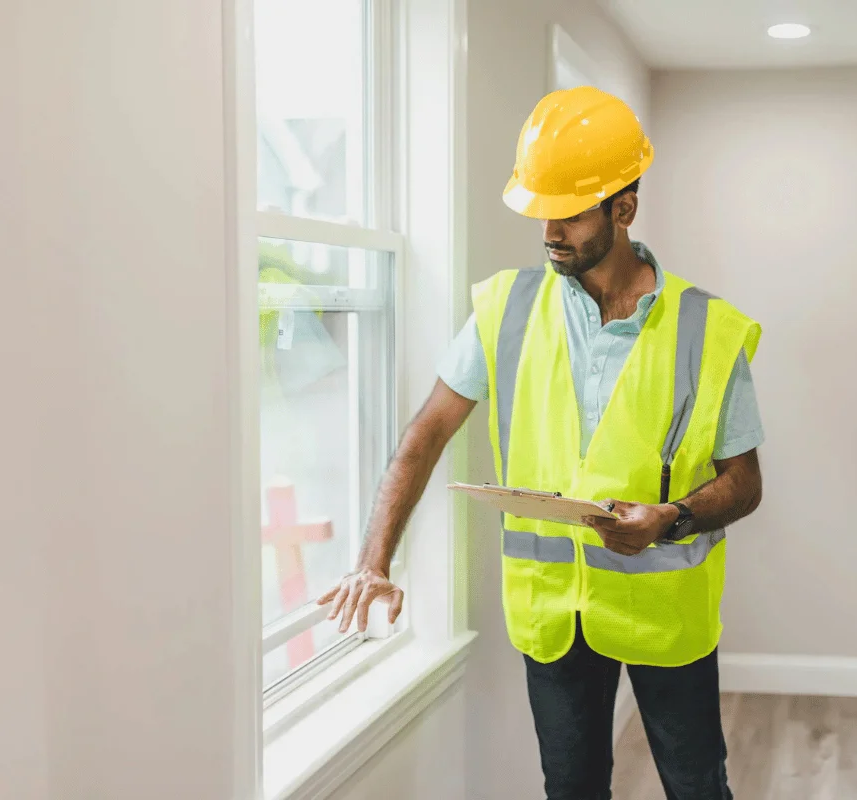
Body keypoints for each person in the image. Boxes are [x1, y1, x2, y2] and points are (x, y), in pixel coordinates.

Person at [318, 85, 764, 800]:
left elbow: (745, 481)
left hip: (665, 614)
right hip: (553, 615)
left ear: (624, 208)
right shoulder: (507, 308)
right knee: (571, 789)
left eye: (571, 212)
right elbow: (424, 436)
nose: (551, 230)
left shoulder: (709, 330)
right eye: (542, 212)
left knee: (697, 788)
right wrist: (374, 561)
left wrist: (670, 519)